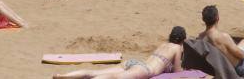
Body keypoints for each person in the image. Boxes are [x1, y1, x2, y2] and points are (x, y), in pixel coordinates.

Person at [52, 26, 185, 79]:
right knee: (113, 78)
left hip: (135, 62)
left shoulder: (163, 44)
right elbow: (178, 72)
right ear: (182, 40)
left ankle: (62, 76)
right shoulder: (177, 48)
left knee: (94, 73)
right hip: (144, 70)